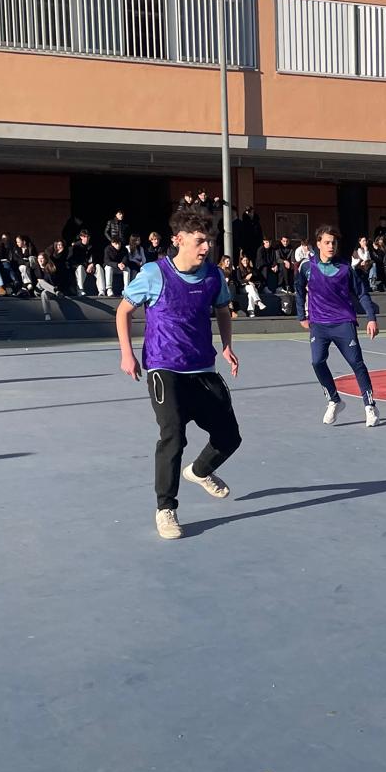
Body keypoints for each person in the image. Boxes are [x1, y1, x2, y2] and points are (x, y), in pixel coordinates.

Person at [115, 208, 242, 541]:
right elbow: (124, 310)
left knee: (230, 437)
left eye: (209, 241)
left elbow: (222, 309)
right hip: (164, 368)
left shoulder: (213, 276)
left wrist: (227, 346)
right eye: (200, 241)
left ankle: (199, 471)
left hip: (203, 368)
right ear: (179, 240)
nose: (206, 247)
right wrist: (127, 353)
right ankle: (165, 508)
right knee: (173, 435)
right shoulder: (154, 273)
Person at [296, 226, 381, 427]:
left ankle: (370, 406)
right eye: (326, 242)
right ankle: (334, 400)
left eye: (333, 242)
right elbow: (299, 290)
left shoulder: (345, 268)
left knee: (356, 363)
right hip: (319, 324)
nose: (331, 246)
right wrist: (301, 316)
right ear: (318, 244)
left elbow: (362, 293)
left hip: (343, 322)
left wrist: (371, 318)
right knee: (317, 362)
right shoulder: (306, 267)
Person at [67, 229, 99, 296]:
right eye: (84, 237)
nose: (86, 238)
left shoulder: (92, 246)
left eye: (87, 237)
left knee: (98, 267)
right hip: (79, 267)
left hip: (90, 267)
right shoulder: (76, 246)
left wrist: (93, 264)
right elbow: (73, 261)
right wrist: (86, 266)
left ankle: (102, 291)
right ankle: (80, 290)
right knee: (80, 267)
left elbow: (97, 258)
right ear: (81, 237)